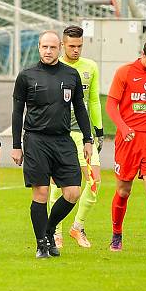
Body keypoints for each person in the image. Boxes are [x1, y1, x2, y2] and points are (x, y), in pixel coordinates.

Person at [11, 30, 92, 259]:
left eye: (53, 47)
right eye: (44, 47)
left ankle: (48, 230)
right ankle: (41, 245)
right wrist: (16, 145)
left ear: (60, 49)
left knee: (73, 192)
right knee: (41, 192)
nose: (48, 51)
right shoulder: (27, 76)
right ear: (38, 48)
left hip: (63, 139)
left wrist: (88, 139)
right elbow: (17, 113)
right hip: (36, 140)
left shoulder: (71, 75)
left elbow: (80, 108)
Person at [106, 38, 146, 253]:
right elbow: (111, 105)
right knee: (124, 190)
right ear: (143, 54)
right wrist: (123, 128)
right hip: (129, 140)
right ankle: (116, 234)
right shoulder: (124, 72)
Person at [46, 25, 104, 249]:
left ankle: (77, 227)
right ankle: (57, 232)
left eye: (79, 46)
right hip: (59, 134)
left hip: (82, 134)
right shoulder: (54, 68)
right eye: (71, 46)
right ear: (63, 45)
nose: (76, 50)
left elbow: (93, 101)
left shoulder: (90, 67)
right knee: (56, 185)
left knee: (94, 181)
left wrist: (98, 131)